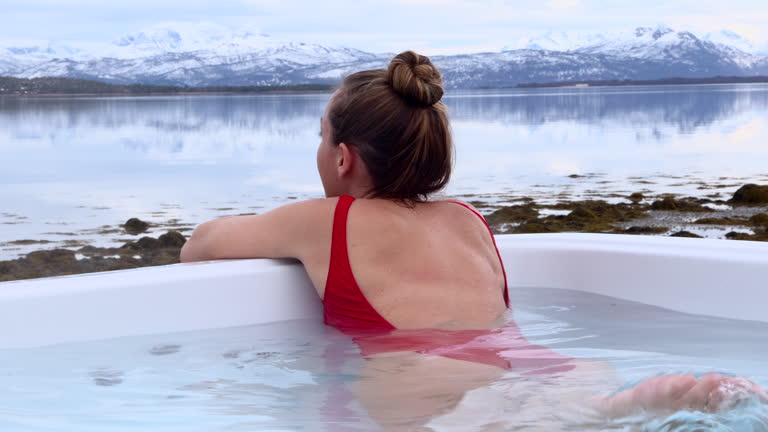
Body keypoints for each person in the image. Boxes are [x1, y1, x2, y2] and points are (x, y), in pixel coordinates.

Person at [180, 50, 766, 428]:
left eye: (320, 136)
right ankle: (618, 408)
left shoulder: (325, 221)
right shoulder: (469, 220)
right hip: (548, 369)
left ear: (341, 157)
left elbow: (198, 246)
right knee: (565, 416)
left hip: (430, 392)